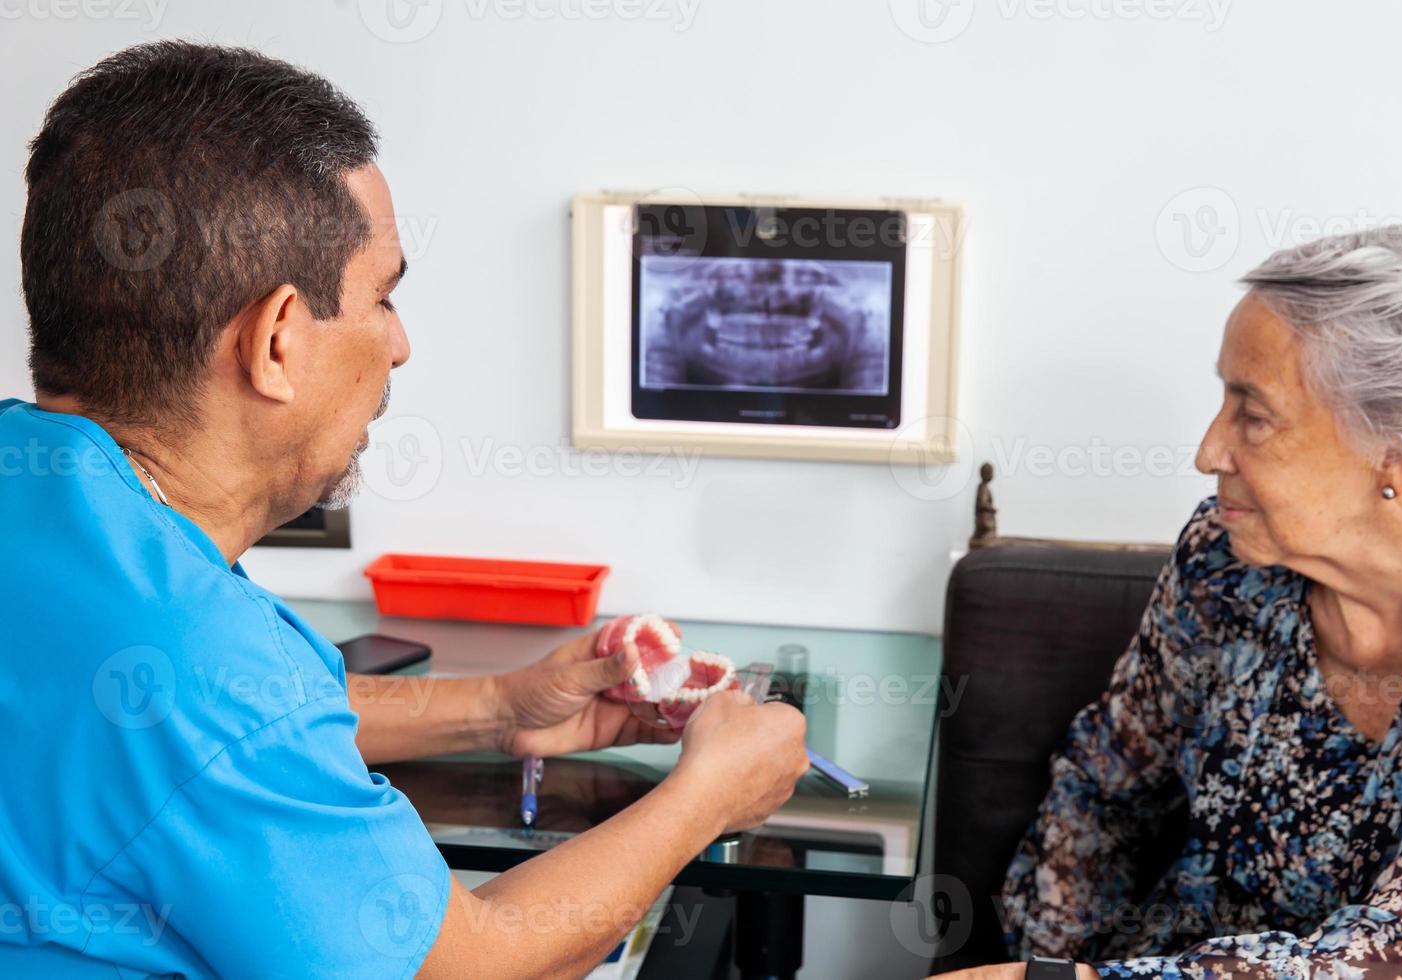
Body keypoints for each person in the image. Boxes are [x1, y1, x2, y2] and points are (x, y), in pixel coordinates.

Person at [0, 41, 808, 978]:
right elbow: (468, 965)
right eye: (381, 300)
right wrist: (710, 793)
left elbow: (205, 735)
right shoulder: (198, 653)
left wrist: (500, 706)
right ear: (276, 341)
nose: (401, 344)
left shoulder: (62, 500)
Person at [938, 225, 1402, 978]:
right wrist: (1044, 963)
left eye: (1252, 415)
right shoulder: (1221, 563)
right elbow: (1101, 792)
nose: (1208, 450)